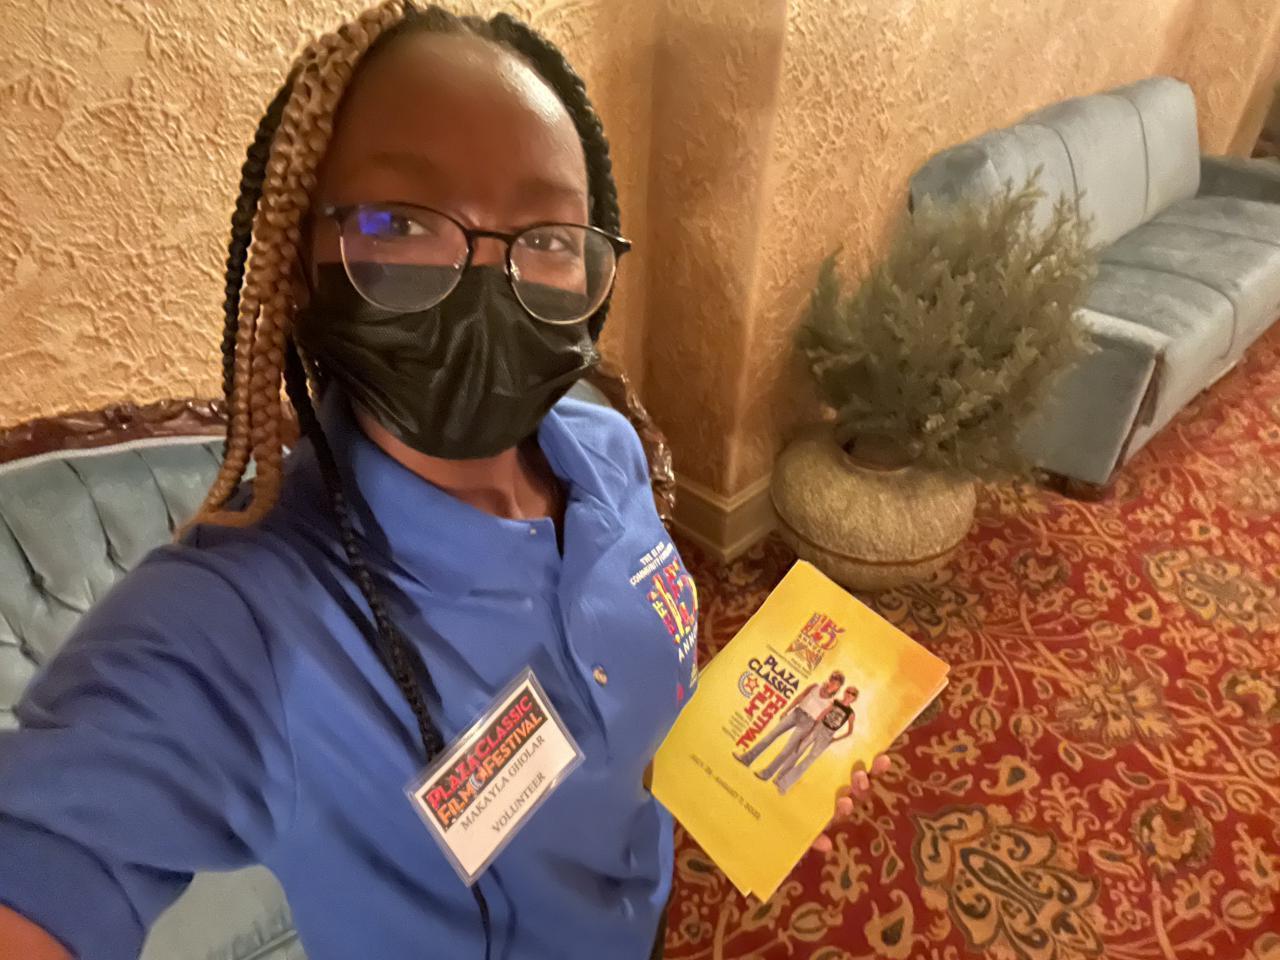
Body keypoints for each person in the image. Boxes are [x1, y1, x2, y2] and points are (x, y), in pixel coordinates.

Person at [0, 4, 884, 959]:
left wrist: (749, 773)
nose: (488, 281)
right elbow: (46, 856)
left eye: (548, 235)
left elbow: (638, 698)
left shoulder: (607, 450)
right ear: (302, 263)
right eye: (404, 221)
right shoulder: (247, 628)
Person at [735, 670, 843, 777]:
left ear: (838, 688)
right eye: (832, 680)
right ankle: (746, 758)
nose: (833, 684)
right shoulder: (815, 686)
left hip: (807, 723)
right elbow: (799, 697)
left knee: (786, 751)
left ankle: (766, 773)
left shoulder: (831, 703)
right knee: (771, 735)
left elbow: (819, 719)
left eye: (836, 684)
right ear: (829, 680)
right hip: (796, 713)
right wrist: (786, 710)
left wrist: (809, 733)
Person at [774, 686, 859, 794]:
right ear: (845, 692)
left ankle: (784, 784)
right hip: (819, 726)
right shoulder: (836, 701)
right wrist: (812, 728)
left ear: (855, 698)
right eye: (848, 691)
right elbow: (824, 713)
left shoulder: (850, 713)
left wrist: (835, 739)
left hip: (827, 736)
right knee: (798, 750)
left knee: (808, 760)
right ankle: (779, 777)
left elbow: (849, 732)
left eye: (853, 694)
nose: (849, 694)